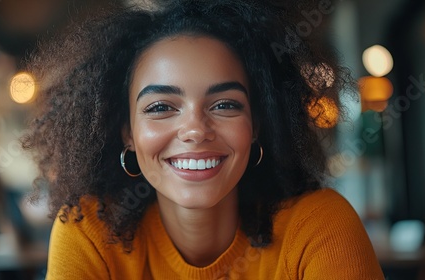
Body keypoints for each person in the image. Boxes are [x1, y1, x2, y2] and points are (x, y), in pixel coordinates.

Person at [23, 0, 385, 279]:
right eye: (162, 106)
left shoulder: (318, 226)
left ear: (257, 125)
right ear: (127, 133)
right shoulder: (91, 234)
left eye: (225, 104)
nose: (195, 129)